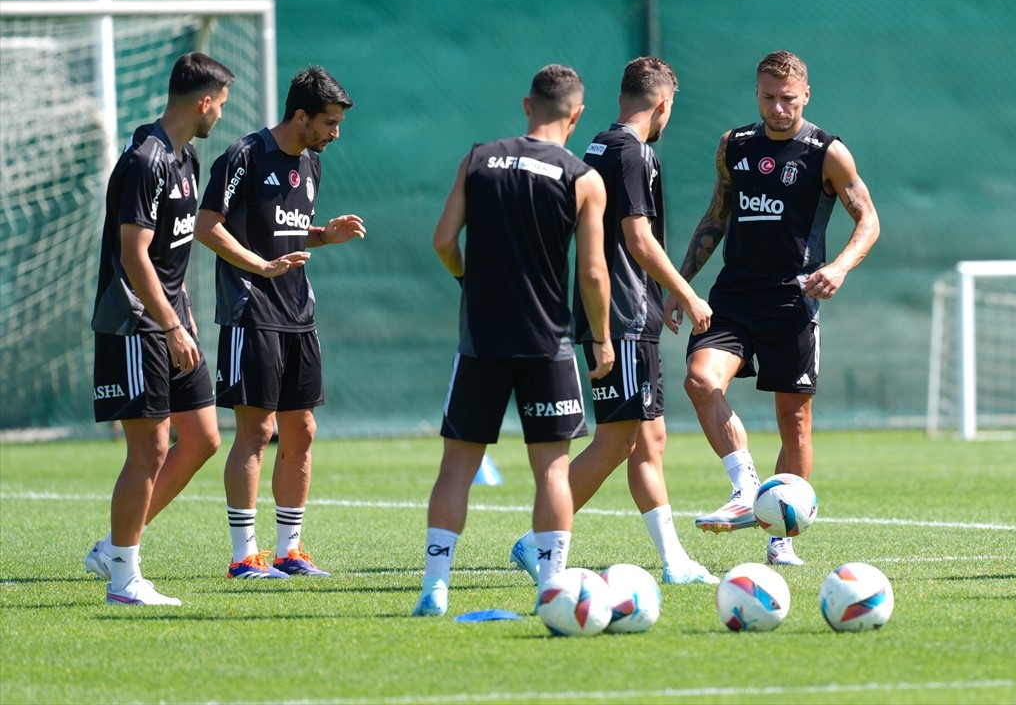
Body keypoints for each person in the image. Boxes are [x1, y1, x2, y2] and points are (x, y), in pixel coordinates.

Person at [413, 64, 613, 617]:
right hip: (547, 342)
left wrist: (466, 278)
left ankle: (434, 587)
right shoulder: (583, 177)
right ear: (577, 114)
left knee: (456, 466)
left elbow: (443, 241)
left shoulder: (479, 159)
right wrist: (599, 338)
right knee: (551, 468)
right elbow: (593, 273)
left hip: (481, 339)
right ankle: (552, 587)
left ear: (527, 105)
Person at [665, 50, 880, 566]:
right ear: (756, 94)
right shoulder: (734, 146)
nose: (778, 107)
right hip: (734, 297)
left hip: (793, 302)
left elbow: (868, 219)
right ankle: (745, 489)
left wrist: (841, 267)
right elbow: (716, 216)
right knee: (699, 381)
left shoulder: (828, 152)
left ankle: (781, 537)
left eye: (788, 98)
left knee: (795, 422)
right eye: (768, 97)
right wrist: (679, 284)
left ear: (805, 94)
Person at [507, 57, 716, 586]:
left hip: (629, 308)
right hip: (621, 311)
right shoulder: (632, 152)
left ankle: (674, 562)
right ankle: (537, 541)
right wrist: (687, 293)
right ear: (663, 104)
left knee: (650, 440)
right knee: (617, 440)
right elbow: (638, 237)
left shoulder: (600, 143)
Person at [195, 66, 365, 580]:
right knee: (257, 429)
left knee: (303, 429)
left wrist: (321, 235)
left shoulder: (311, 164)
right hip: (251, 311)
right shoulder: (243, 156)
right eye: (329, 122)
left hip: (298, 315)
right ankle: (244, 556)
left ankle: (290, 551)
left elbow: (282, 232)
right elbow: (208, 228)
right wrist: (261, 267)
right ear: (300, 115)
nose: (335, 133)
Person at [88, 52, 235, 605]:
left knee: (201, 439)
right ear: (202, 101)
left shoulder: (187, 158)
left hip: (171, 319)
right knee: (149, 450)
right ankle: (125, 578)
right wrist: (170, 325)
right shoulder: (144, 159)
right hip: (133, 323)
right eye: (220, 104)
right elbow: (134, 256)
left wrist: (185, 317)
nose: (221, 114)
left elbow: (173, 255)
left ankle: (113, 547)